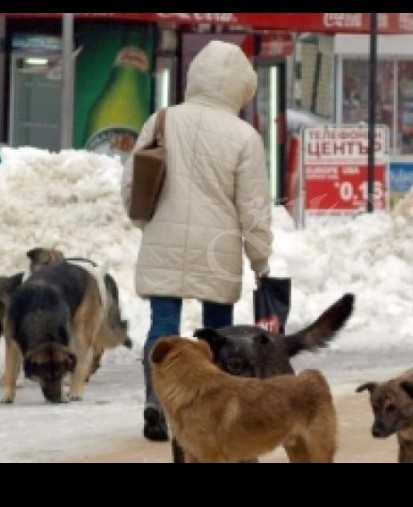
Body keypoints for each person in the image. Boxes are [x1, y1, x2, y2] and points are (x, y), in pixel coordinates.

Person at [121, 40, 273, 441]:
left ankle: (157, 399)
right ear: (241, 88)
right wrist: (260, 258)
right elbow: (254, 206)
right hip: (218, 249)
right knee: (217, 332)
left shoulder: (162, 120)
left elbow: (133, 180)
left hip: (164, 240)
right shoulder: (244, 137)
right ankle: (213, 409)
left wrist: (143, 219)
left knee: (164, 327)